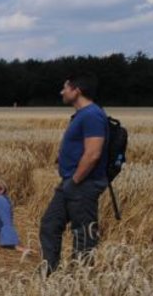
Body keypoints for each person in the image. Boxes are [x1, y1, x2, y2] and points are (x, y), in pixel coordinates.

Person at [39, 75, 108, 273]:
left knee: (83, 233)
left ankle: (80, 280)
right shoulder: (82, 114)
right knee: (50, 224)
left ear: (76, 90)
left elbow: (93, 153)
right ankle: (48, 272)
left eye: (65, 88)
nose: (62, 92)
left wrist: (76, 180)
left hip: (84, 183)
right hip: (72, 182)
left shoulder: (92, 115)